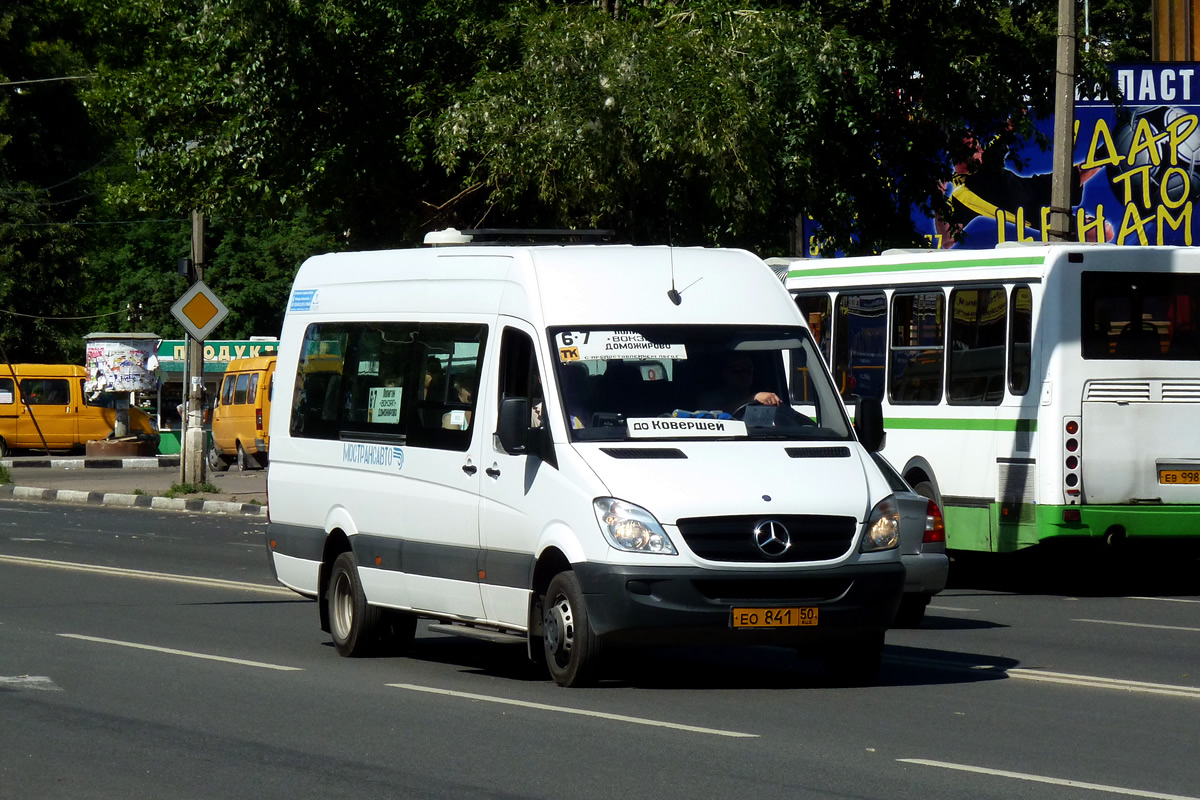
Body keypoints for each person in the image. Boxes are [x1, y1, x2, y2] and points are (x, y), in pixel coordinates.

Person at [699, 352, 782, 413]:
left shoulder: (763, 395)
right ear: (725, 373)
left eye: (748, 370)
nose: (744, 375)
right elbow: (713, 416)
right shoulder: (710, 398)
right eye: (737, 370)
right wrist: (752, 399)